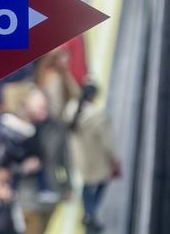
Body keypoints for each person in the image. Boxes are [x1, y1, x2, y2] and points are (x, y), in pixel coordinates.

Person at [13, 89, 71, 234]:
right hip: (28, 196)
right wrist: (23, 168)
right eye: (39, 108)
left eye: (45, 107)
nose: (43, 111)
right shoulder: (18, 129)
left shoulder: (57, 127)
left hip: (52, 191)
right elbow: (6, 166)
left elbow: (65, 158)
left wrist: (68, 186)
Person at [64, 85, 120, 233]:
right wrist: (114, 157)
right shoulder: (98, 115)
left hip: (80, 157)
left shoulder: (70, 109)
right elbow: (108, 142)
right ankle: (91, 211)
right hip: (97, 158)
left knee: (87, 184)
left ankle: (88, 212)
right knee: (103, 181)